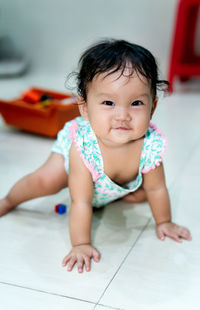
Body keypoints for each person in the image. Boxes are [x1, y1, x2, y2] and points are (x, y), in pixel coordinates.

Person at [0, 39, 192, 273]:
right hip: (74, 167)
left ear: (152, 108)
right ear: (84, 108)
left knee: (145, 193)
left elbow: (157, 189)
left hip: (107, 180)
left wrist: (165, 222)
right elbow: (80, 201)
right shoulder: (83, 146)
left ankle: (113, 191)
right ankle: (8, 200)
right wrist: (80, 244)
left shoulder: (150, 145)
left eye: (136, 103)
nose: (122, 115)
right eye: (108, 102)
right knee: (46, 181)